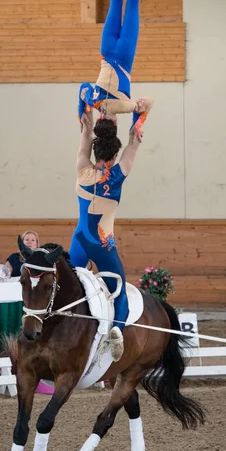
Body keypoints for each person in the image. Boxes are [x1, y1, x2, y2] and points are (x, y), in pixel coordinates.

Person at [68, 106, 151, 362]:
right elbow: (134, 141)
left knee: (67, 288)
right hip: (104, 244)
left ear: (95, 151)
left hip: (80, 240)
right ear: (114, 155)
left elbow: (84, 137)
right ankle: (117, 329)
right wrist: (139, 114)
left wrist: (88, 118)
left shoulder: (82, 170)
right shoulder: (117, 174)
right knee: (119, 291)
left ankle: (60, 328)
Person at [78, 0, 152, 138]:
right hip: (107, 50)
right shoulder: (93, 101)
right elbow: (82, 88)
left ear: (116, 124)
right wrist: (81, 111)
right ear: (99, 121)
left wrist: (137, 125)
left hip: (124, 55)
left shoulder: (126, 107)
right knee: (115, 1)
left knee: (131, 6)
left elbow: (148, 104)